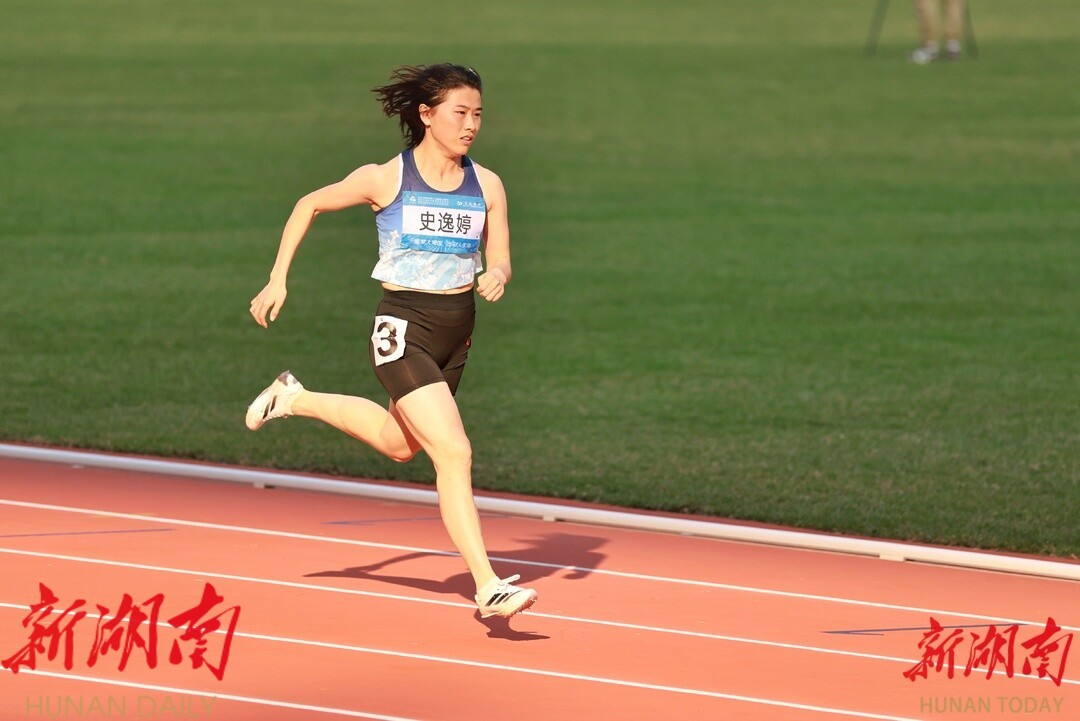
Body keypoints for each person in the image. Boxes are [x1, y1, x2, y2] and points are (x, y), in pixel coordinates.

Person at [244, 63, 538, 619]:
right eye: (459, 113)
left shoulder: (487, 185)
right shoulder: (386, 178)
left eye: (478, 114)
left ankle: (293, 397)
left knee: (399, 443)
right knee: (454, 452)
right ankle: (487, 585)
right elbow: (309, 203)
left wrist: (498, 274)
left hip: (458, 332)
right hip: (404, 329)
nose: (471, 125)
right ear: (427, 115)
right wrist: (277, 278)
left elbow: (500, 256)